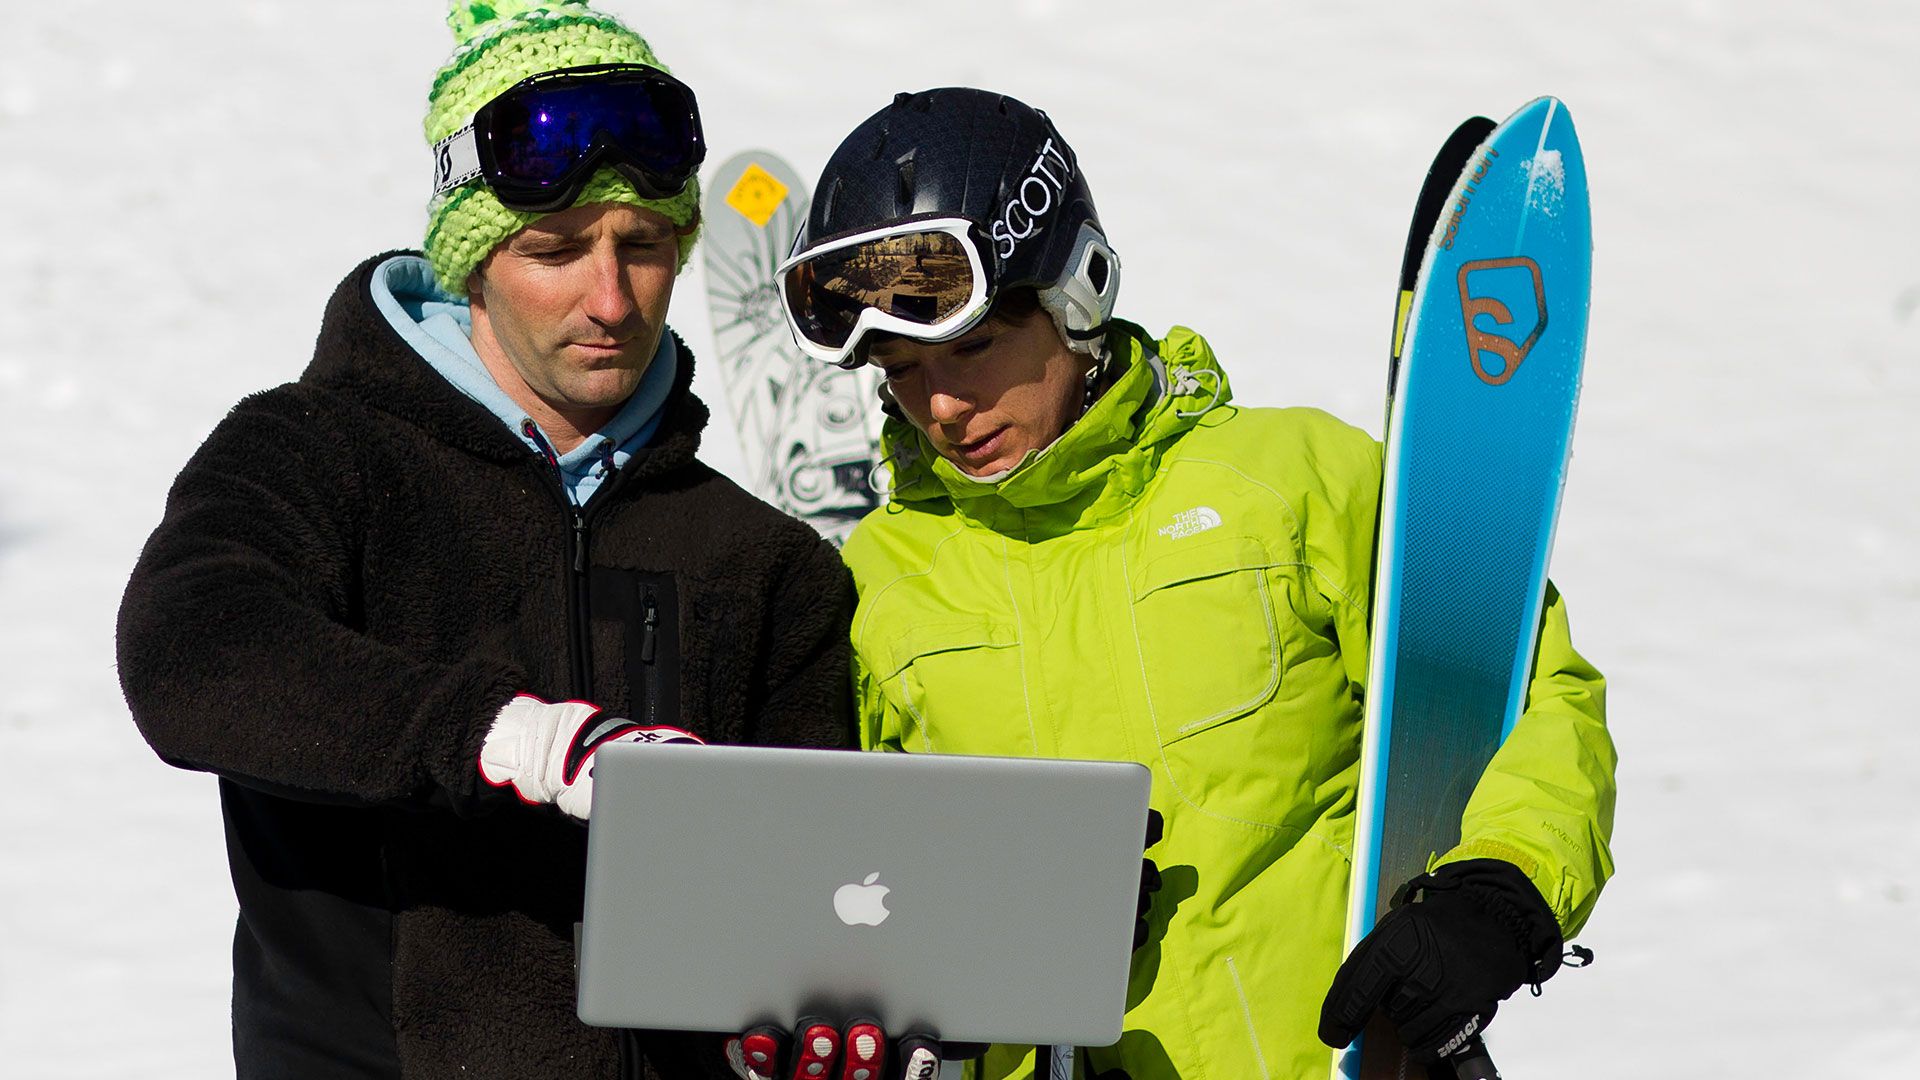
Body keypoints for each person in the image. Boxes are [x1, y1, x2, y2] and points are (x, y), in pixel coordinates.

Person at [761, 88, 1616, 1080]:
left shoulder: (1287, 484)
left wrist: (1501, 892)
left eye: (974, 348)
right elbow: (831, 885)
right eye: (901, 371)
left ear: (1076, 293)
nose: (943, 405)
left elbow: (1526, 691)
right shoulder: (877, 584)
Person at [116, 3, 853, 1077]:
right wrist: (501, 738)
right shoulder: (315, 451)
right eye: (556, 251)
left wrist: (823, 1025)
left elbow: (810, 899)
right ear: (472, 261)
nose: (609, 298)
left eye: (645, 248)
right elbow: (190, 652)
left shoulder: (758, 558)